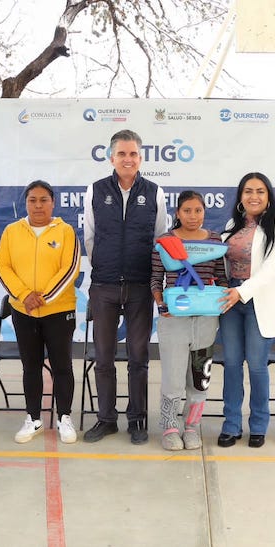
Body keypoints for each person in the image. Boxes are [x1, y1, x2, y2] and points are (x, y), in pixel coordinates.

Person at [82, 129, 169, 445]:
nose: (128, 159)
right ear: (111, 157)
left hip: (139, 286)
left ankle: (137, 420)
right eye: (122, 154)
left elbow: (159, 240)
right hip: (103, 285)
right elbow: (89, 238)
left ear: (141, 158)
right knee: (103, 357)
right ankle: (106, 419)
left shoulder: (155, 193)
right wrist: (104, 267)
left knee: (138, 357)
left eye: (133, 154)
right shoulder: (94, 191)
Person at [217, 172, 275, 448]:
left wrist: (243, 291)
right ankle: (231, 424)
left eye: (260, 191)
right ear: (241, 196)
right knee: (231, 365)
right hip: (230, 300)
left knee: (256, 366)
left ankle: (258, 425)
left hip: (258, 301)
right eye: (248, 191)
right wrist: (229, 290)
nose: (254, 196)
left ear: (268, 196)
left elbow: (274, 265)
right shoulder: (233, 223)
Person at [0, 180, 81, 444]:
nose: (38, 205)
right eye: (32, 200)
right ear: (26, 203)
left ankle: (64, 417)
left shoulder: (65, 232)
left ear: (53, 203)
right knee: (30, 366)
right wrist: (24, 296)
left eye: (44, 199)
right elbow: (2, 266)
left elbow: (70, 269)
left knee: (62, 366)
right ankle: (33, 419)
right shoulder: (12, 231)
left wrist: (43, 297)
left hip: (59, 311)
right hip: (23, 311)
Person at [151, 191, 227, 451]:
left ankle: (192, 426)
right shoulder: (164, 241)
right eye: (187, 211)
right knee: (172, 378)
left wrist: (223, 300)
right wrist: (162, 305)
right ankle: (170, 426)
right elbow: (155, 278)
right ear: (177, 213)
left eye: (198, 210)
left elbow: (221, 277)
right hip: (174, 321)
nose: (193, 216)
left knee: (199, 378)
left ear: (204, 211)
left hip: (206, 321)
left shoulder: (215, 240)